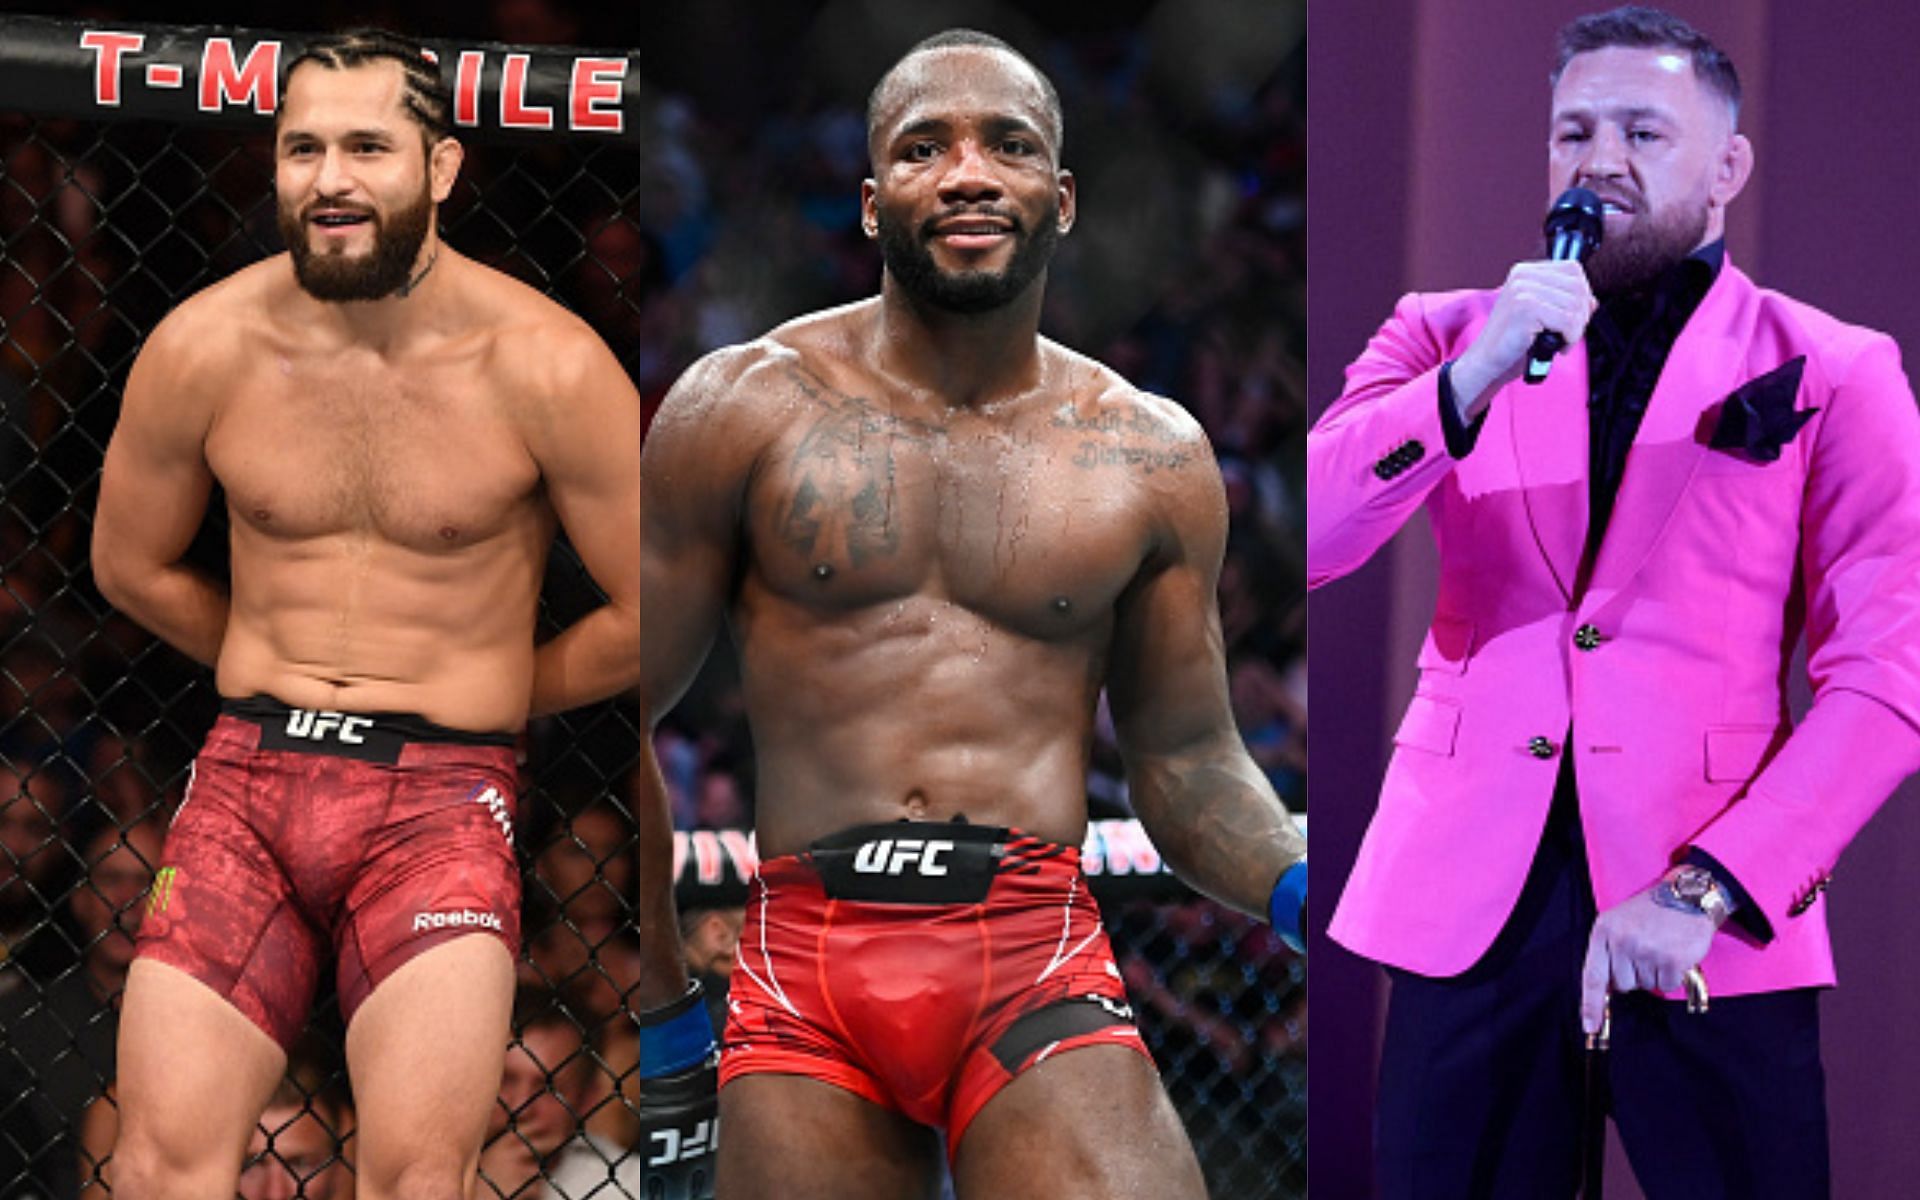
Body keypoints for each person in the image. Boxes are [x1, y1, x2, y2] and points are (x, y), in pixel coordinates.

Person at [637, 28, 1305, 1200]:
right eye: (923, 146)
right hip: (806, 960)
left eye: (1008, 144)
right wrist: (661, 1005)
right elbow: (614, 709)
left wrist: (1303, 885)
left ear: (1063, 195)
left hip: (1032, 951)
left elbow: (1190, 758)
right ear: (869, 199)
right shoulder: (738, 409)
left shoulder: (1149, 453)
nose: (967, 172)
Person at [1307, 7, 1920, 1195]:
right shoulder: (1444, 337)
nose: (1601, 159)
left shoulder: (1835, 366)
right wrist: (1471, 379)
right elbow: (1321, 535)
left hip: (1703, 904)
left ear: (1727, 167)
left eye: (1645, 130)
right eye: (1575, 131)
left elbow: (1890, 676)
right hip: (1467, 901)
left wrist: (1713, 885)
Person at [88, 28, 640, 1200]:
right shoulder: (204, 344)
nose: (330, 178)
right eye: (303, 148)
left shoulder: (546, 364)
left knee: (414, 1179)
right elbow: (129, 566)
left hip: (440, 797)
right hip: (248, 780)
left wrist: (498, 685)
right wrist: (252, 648)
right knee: (154, 1166)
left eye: (366, 147)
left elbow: (660, 606)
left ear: (438, 168)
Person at [480, 985, 637, 1199]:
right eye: (505, 1080)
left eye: (548, 1088)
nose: (520, 1106)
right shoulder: (433, 1160)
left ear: (587, 1101)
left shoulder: (629, 1185)